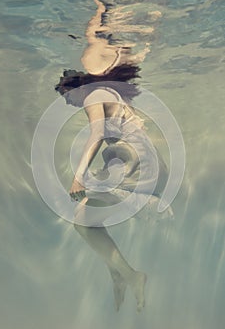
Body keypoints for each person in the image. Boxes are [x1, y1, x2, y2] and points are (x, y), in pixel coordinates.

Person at [55, 64, 169, 311]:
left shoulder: (94, 95)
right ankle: (119, 273)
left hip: (137, 165)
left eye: (65, 95)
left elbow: (97, 133)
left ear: (75, 88)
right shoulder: (110, 93)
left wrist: (79, 176)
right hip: (149, 162)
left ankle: (130, 276)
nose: (66, 102)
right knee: (86, 218)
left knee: (82, 221)